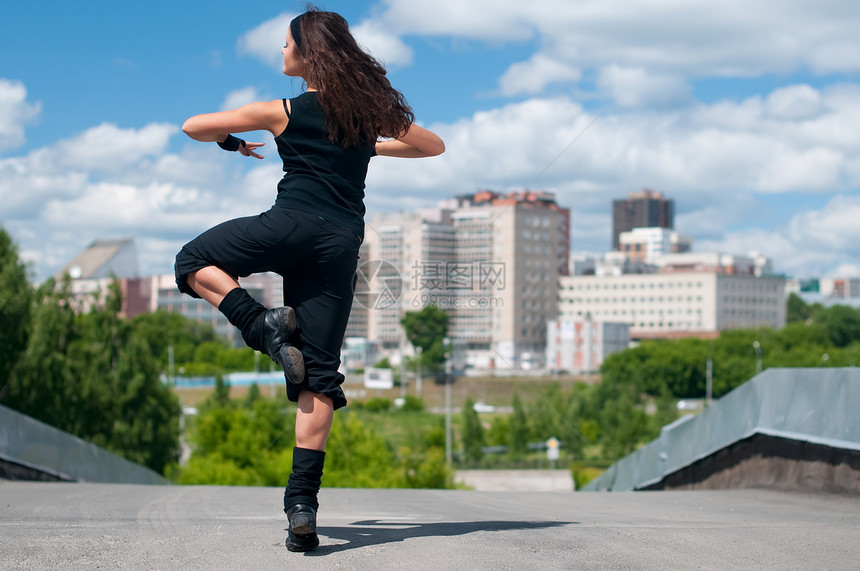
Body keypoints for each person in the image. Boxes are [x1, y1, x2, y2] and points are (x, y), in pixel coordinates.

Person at [176, 7, 445, 553]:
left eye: (285, 43)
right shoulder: (365, 115)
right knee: (318, 376)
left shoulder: (284, 110)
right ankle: (303, 509)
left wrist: (232, 143)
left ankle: (262, 326)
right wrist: (370, 144)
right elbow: (432, 145)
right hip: (340, 245)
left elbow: (193, 126)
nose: (281, 50)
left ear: (306, 54)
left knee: (192, 262)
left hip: (290, 225)